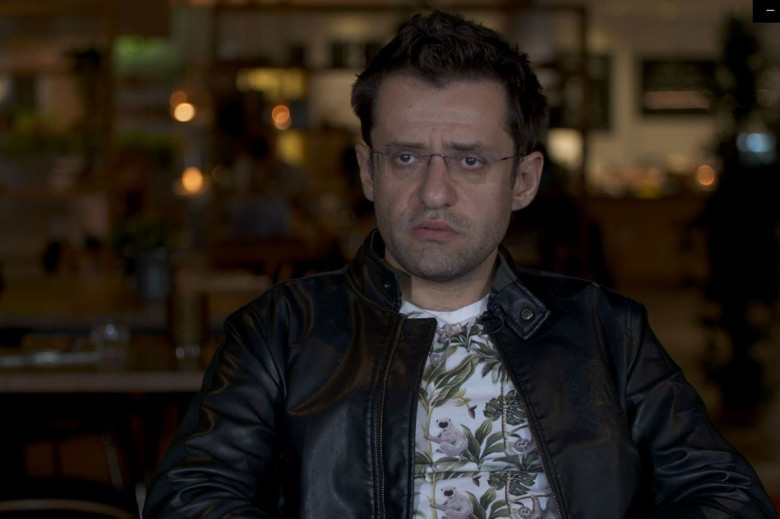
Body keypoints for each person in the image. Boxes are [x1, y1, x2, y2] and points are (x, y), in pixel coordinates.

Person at [144, 11, 776, 519]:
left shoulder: (607, 332)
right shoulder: (280, 332)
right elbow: (191, 499)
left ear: (524, 180)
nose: (435, 193)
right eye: (406, 157)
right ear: (368, 171)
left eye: (470, 160)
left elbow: (727, 498)